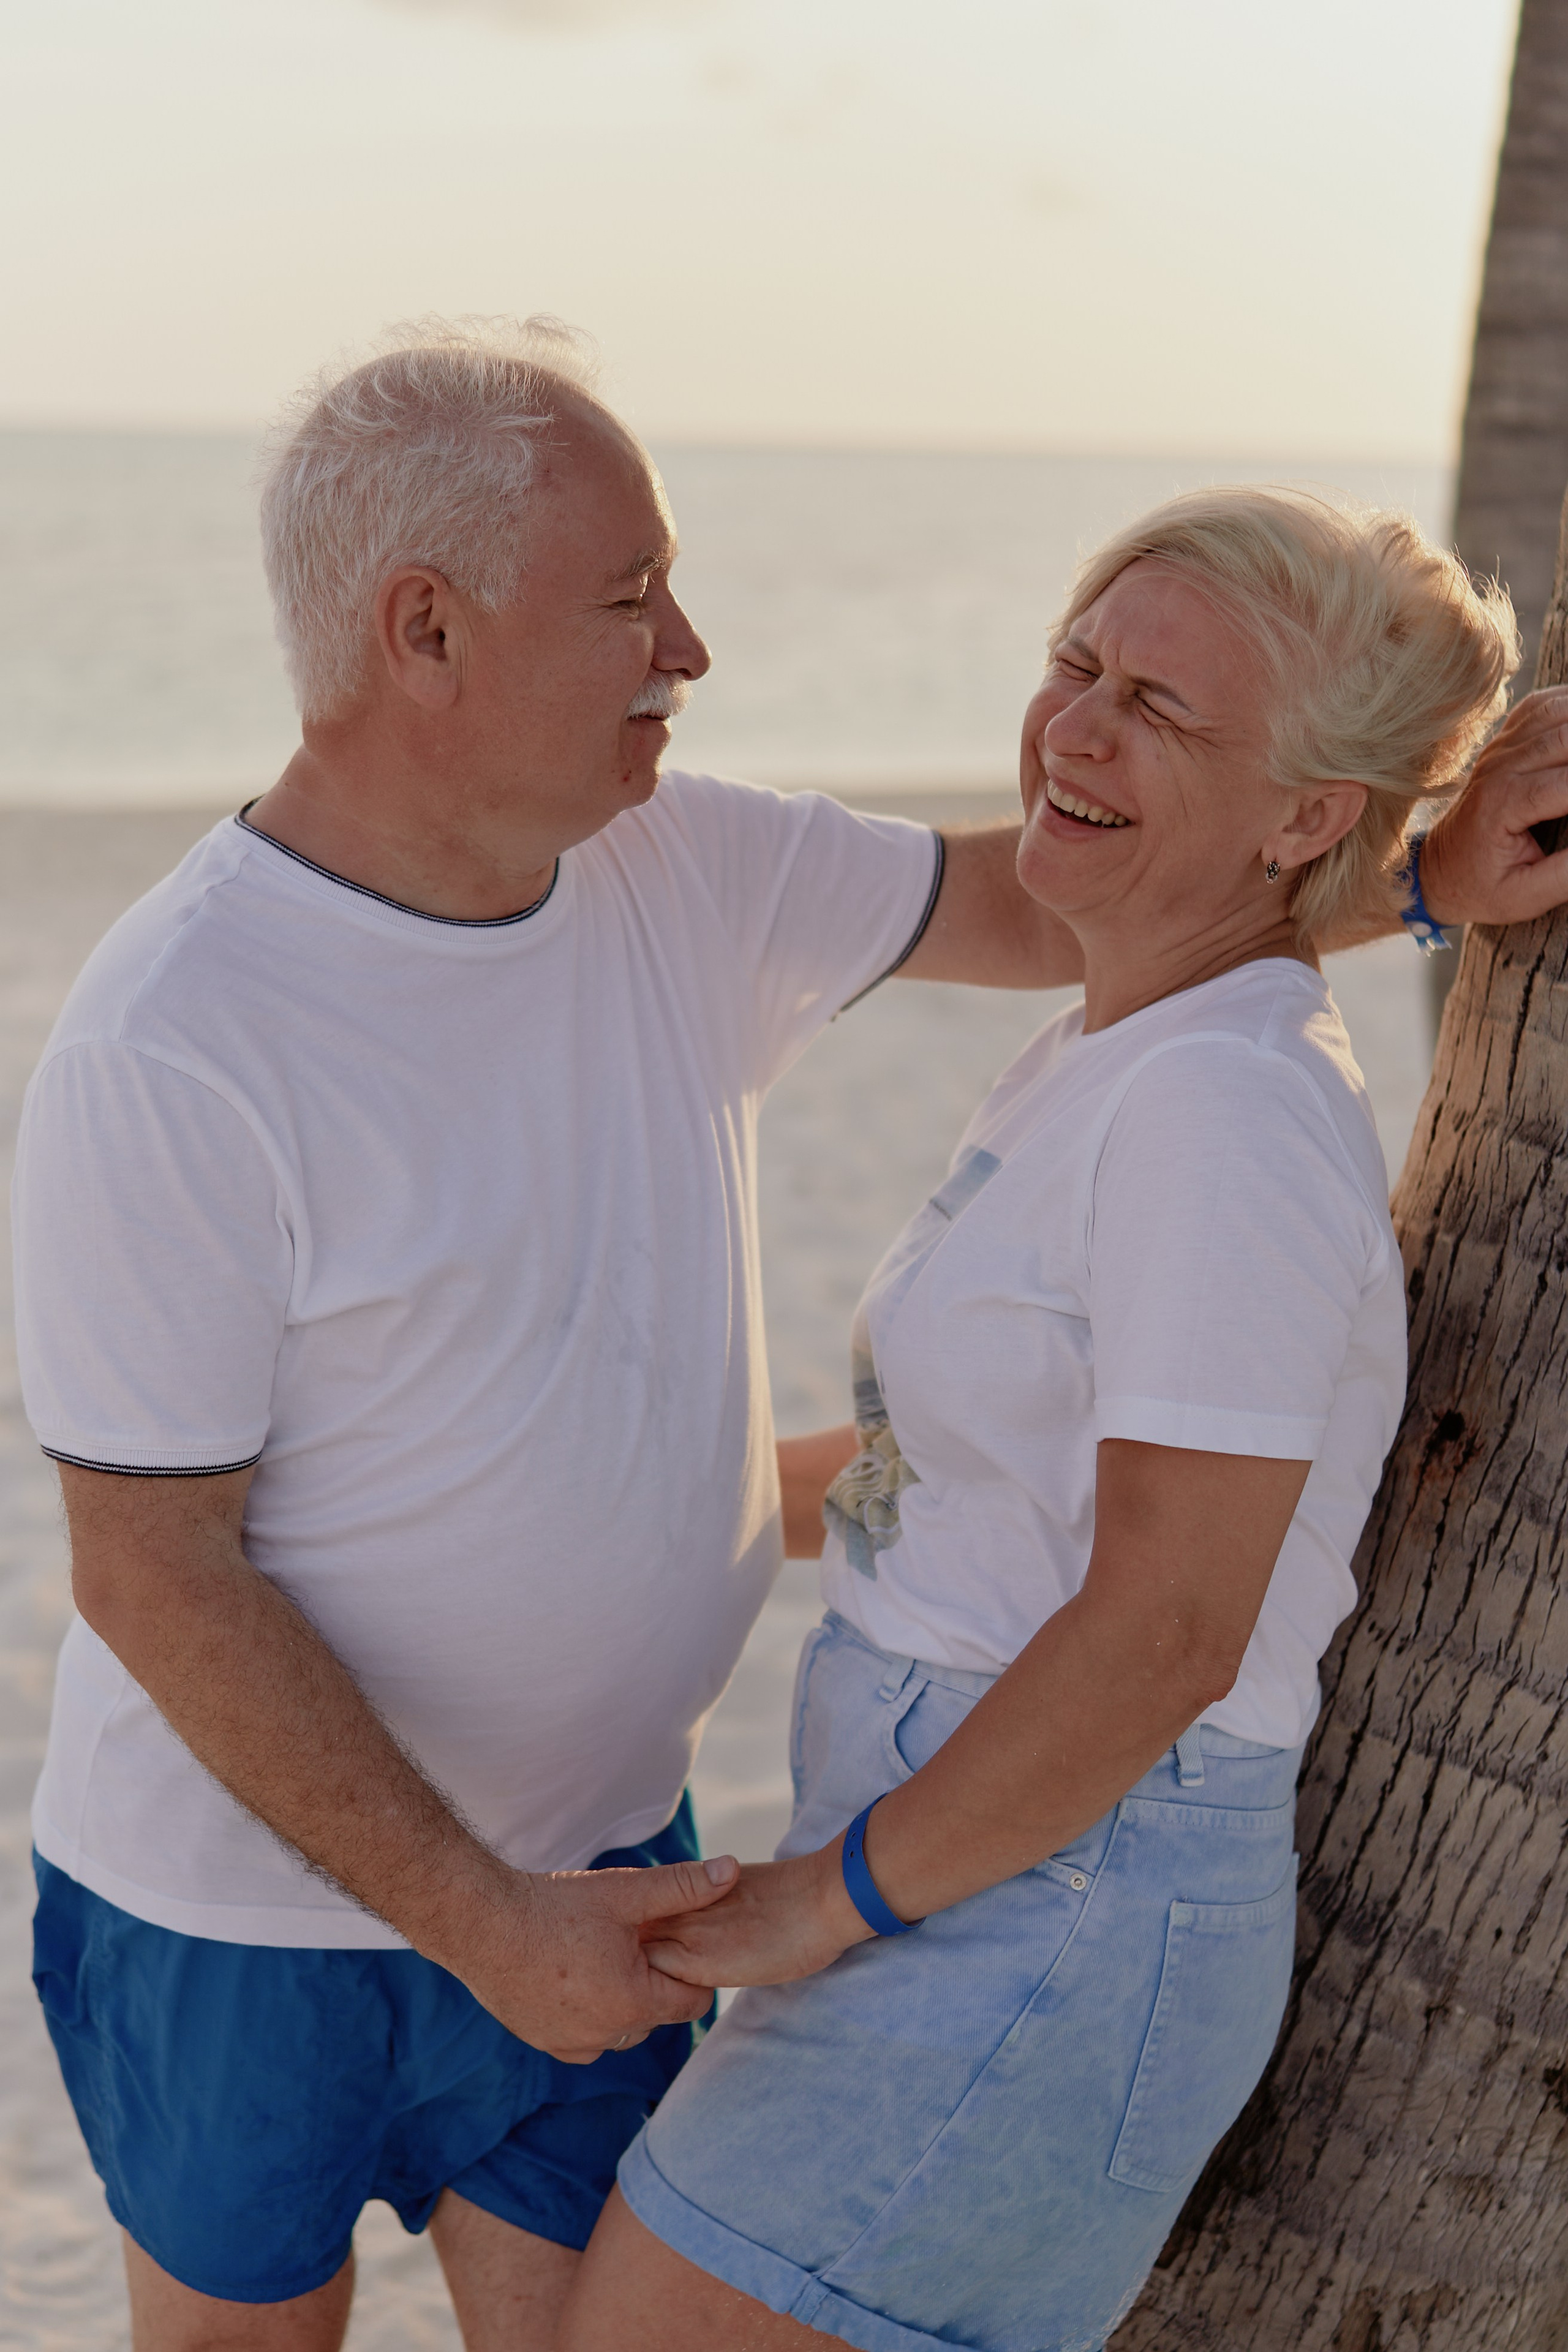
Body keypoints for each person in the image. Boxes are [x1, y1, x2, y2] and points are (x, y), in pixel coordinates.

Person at [12, 315, 1567, 2352]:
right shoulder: (178, 1036)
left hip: (615, 1880)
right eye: (631, 598)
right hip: (248, 1915)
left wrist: (1409, 863)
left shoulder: (684, 861)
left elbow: (1058, 899)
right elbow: (150, 1572)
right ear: (427, 632)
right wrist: (487, 1932)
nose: (693, 650)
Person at [555, 486, 1568, 2352]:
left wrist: (827, 1904)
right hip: (969, 1862)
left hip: (1041, 1902)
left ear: (1307, 815)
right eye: (1075, 664)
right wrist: (599, 1519)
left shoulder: (1226, 1120)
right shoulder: (1123, 1042)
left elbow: (1171, 1626)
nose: (1075, 727)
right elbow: (946, 1472)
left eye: (1161, 711)